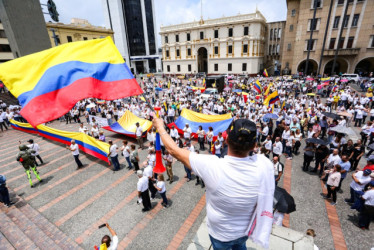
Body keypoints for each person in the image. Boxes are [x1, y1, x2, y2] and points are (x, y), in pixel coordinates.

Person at [153, 118, 275, 249]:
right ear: (254, 145)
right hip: (244, 231)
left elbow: (174, 150)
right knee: (240, 246)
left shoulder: (213, 166)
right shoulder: (264, 166)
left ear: (227, 140)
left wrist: (160, 126)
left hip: (220, 234)